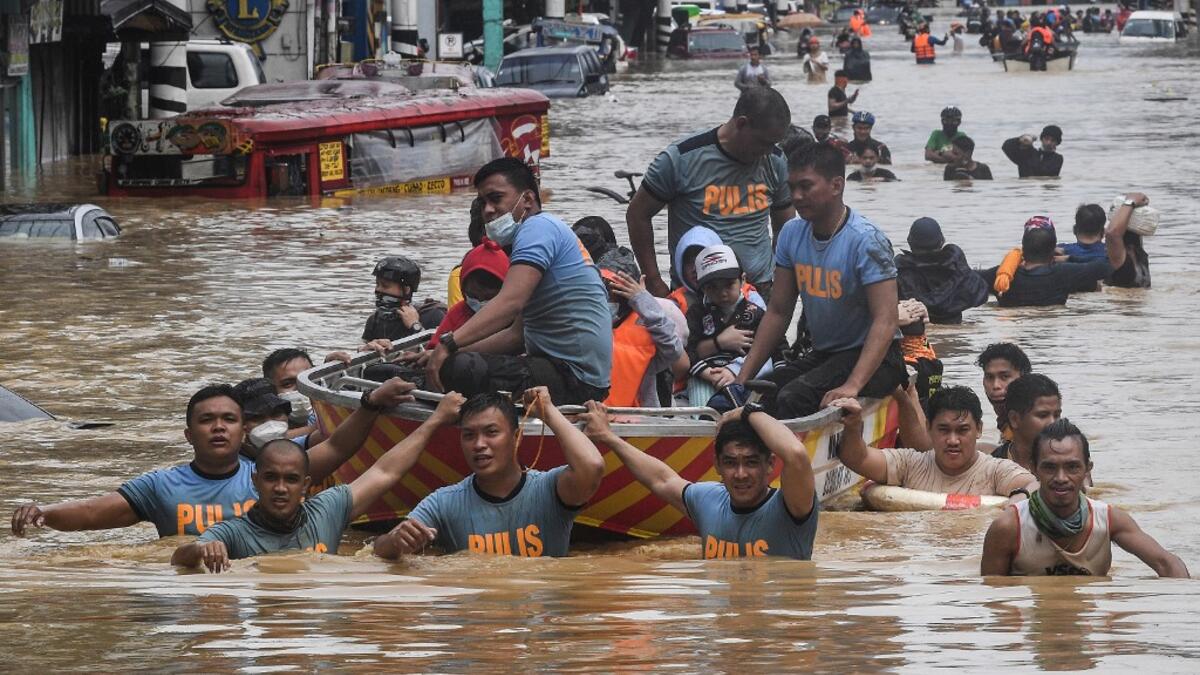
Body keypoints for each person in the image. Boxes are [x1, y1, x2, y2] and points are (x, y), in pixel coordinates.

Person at [10, 379, 415, 538]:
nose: (218, 427)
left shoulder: (273, 477)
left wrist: (369, 403)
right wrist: (41, 512)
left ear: (243, 431)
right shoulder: (160, 486)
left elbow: (340, 449)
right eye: (206, 421)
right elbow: (94, 512)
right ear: (189, 434)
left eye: (228, 420)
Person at [171, 393, 466, 571]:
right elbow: (179, 559)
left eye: (291, 480)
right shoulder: (233, 532)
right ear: (255, 481)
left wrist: (434, 420)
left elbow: (385, 472)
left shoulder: (328, 508)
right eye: (271, 478)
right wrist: (198, 551)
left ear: (306, 485)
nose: (281, 488)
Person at [735, 144, 907, 419]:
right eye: (792, 187)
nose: (796, 196)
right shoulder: (791, 233)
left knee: (794, 397)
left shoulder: (866, 240)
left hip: (879, 359)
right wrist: (741, 379)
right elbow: (779, 311)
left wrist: (852, 385)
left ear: (837, 185)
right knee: (766, 390)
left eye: (806, 187)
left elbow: (885, 321)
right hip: (826, 354)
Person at [424, 158, 612, 405]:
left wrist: (448, 345)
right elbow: (516, 336)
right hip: (561, 371)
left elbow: (510, 303)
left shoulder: (538, 228)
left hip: (575, 379)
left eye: (496, 198)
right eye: (483, 202)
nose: (488, 210)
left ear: (527, 200)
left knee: (461, 369)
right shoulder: (533, 236)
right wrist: (441, 353)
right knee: (449, 362)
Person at [373, 388, 605, 558]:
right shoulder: (445, 502)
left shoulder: (549, 489)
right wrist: (396, 541)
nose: (479, 444)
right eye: (469, 435)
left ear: (516, 438)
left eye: (491, 432)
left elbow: (592, 466)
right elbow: (377, 551)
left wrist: (549, 413)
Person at [580, 400, 818, 559]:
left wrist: (747, 411)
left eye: (752, 462)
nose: (741, 474)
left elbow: (796, 454)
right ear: (717, 465)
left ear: (770, 464)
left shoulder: (792, 506)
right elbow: (661, 479)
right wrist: (608, 437)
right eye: (731, 462)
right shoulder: (708, 500)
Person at [626, 88, 795, 301]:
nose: (768, 151)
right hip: (697, 292)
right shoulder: (681, 158)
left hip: (759, 289)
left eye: (774, 144)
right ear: (741, 124)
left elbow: (786, 226)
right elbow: (637, 215)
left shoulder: (776, 162)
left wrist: (781, 278)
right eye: (764, 143)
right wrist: (654, 281)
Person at [981, 419, 1190, 577]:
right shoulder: (1009, 527)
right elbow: (994, 597)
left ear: (1087, 470)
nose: (1061, 478)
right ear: (1034, 469)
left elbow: (1167, 564)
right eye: (1050, 467)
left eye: (1072, 467)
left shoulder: (1109, 519)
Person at [832, 387, 1037, 497]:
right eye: (943, 430)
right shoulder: (910, 464)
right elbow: (858, 458)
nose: (953, 440)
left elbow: (1034, 485)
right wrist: (852, 426)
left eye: (963, 430)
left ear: (979, 430)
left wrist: (1018, 500)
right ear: (929, 428)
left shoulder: (996, 471)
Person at [683, 244, 781, 410]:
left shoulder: (755, 313)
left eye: (729, 285)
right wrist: (708, 374)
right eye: (712, 287)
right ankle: (701, 429)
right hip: (705, 375)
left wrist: (734, 370)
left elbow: (774, 348)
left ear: (742, 280)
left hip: (746, 373)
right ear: (702, 288)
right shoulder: (696, 314)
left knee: (754, 406)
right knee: (702, 412)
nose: (722, 293)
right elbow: (688, 351)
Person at [978, 212, 1132, 307]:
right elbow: (1111, 262)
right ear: (1053, 248)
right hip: (1052, 330)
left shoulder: (1000, 275)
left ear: (1023, 247)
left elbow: (967, 277)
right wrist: (1068, 258)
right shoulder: (1065, 273)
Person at [597, 247, 684, 408]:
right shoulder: (585, 324)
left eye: (617, 291)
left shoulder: (649, 326)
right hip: (594, 414)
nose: (608, 298)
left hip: (639, 417)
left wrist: (642, 299)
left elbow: (674, 350)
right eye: (603, 291)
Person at [894, 217, 988, 324]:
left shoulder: (901, 269)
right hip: (956, 331)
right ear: (942, 241)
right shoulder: (956, 264)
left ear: (909, 241)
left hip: (918, 332)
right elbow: (979, 293)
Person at [427, 239, 510, 350]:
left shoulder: (512, 316)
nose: (480, 301)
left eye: (487, 297)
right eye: (473, 296)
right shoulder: (457, 313)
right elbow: (433, 349)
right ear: (463, 289)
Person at [362, 255, 447, 342]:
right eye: (377, 284)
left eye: (385, 286)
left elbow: (439, 350)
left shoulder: (432, 315)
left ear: (406, 290)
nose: (378, 289)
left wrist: (415, 325)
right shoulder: (374, 321)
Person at [991, 373, 1061, 472]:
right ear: (1014, 419)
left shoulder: (1070, 462)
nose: (1053, 423)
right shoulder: (991, 468)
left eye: (1057, 415)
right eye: (1043, 415)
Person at [976, 342, 1033, 443]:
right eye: (989, 377)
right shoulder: (1006, 424)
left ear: (1024, 378)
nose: (996, 386)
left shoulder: (1030, 428)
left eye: (1005, 377)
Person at [1105, 193, 1153, 289]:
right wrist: (1130, 203)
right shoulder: (1119, 256)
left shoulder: (1137, 252)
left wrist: (1132, 203)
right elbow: (1113, 233)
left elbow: (1114, 232)